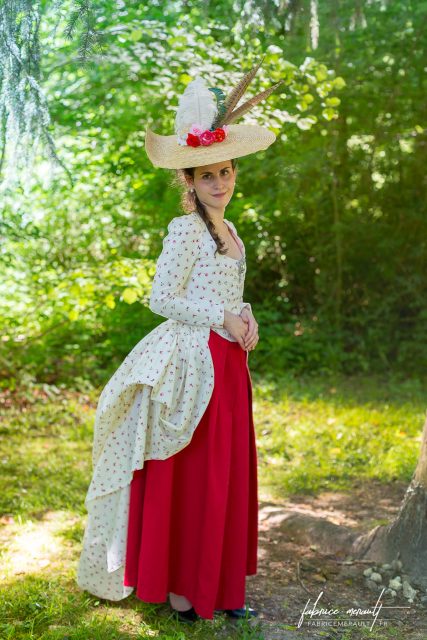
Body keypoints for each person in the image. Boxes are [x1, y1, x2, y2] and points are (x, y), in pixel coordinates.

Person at [76, 59, 282, 625]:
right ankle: (183, 587)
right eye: (208, 175)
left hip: (228, 360)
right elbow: (161, 296)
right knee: (195, 468)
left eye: (228, 171)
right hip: (191, 362)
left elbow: (227, 291)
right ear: (189, 181)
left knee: (226, 468)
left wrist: (245, 317)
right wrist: (221, 316)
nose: (222, 182)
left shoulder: (232, 230)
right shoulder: (185, 230)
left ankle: (222, 581)